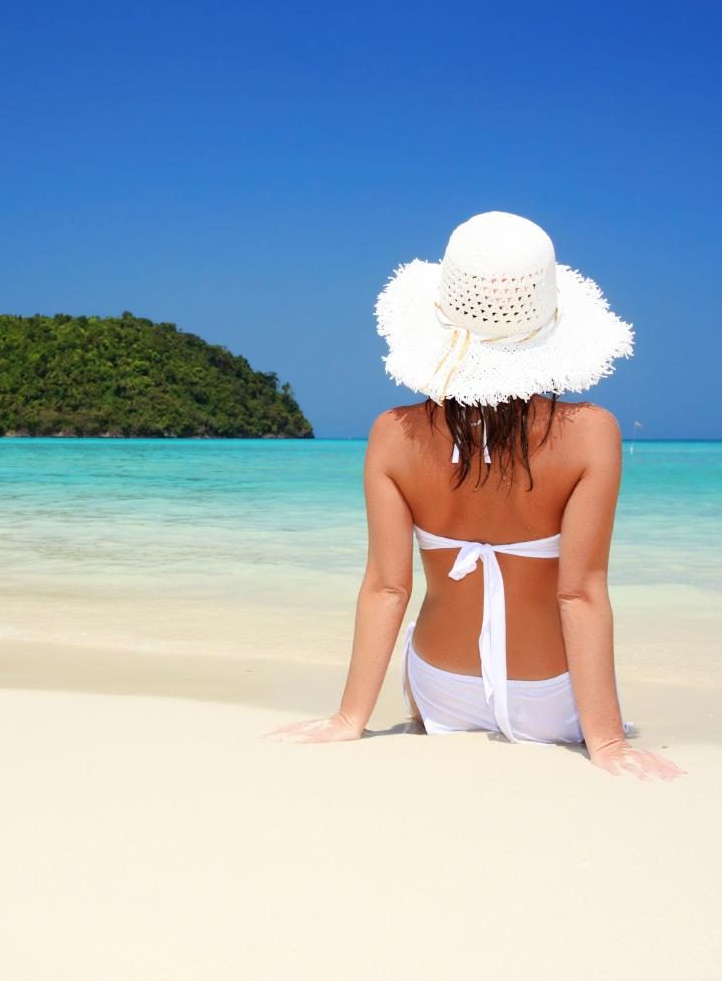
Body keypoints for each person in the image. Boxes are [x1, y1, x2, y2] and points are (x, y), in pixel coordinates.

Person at [266, 211, 682, 781]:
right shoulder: (590, 433)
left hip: (441, 690)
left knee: (416, 627)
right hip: (551, 698)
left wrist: (348, 718)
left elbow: (387, 587)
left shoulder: (393, 433)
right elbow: (579, 595)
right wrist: (607, 742)